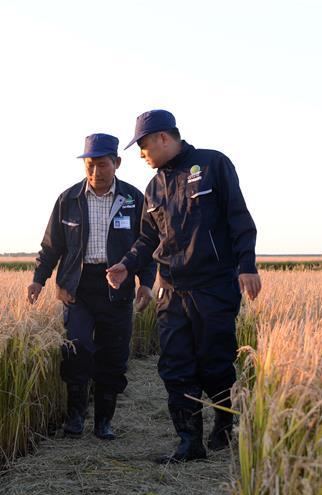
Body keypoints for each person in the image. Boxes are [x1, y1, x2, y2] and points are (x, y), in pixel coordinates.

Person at [106, 110, 261, 463]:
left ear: (163, 137)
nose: (141, 154)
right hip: (172, 291)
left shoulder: (213, 164)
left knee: (216, 364)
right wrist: (125, 266)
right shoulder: (154, 187)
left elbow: (239, 217)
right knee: (174, 366)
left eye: (143, 146)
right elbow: (147, 239)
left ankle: (224, 421)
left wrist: (247, 266)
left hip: (214, 286)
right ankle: (189, 442)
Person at [28, 133, 156, 440]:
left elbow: (148, 245)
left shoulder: (133, 199)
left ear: (117, 163)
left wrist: (146, 283)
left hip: (118, 289)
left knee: (113, 357)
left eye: (102, 164)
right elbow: (51, 246)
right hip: (78, 289)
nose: (95, 172)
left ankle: (103, 422)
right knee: (78, 349)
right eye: (90, 165)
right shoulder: (68, 200)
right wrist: (38, 279)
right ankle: (75, 418)